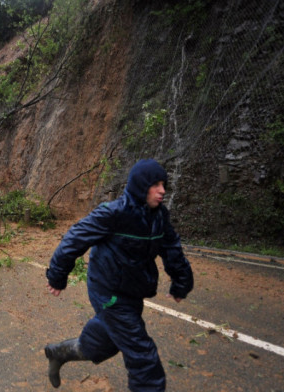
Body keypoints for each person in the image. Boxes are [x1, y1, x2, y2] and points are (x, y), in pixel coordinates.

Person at [44, 159, 194, 391]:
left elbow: (172, 248)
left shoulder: (160, 217)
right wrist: (57, 275)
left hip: (132, 291)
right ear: (140, 186)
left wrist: (181, 281)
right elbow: (74, 238)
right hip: (108, 292)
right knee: (143, 356)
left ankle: (59, 352)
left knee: (105, 343)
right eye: (155, 184)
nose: (162, 190)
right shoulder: (113, 213)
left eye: (164, 184)